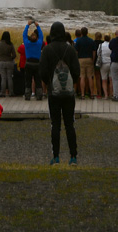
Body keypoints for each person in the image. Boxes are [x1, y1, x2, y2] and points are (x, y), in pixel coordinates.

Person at [39, 21, 80, 166]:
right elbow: (76, 71)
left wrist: (49, 83)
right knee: (70, 124)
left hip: (53, 93)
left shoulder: (47, 50)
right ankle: (73, 156)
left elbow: (43, 72)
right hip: (68, 93)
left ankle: (56, 157)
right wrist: (70, 83)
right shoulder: (70, 50)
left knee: (55, 125)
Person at [22, 20, 44, 101]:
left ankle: (27, 95)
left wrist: (27, 25)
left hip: (28, 63)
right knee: (38, 80)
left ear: (29, 38)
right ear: (37, 38)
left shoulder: (27, 43)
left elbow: (24, 35)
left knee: (28, 80)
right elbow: (41, 35)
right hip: (37, 64)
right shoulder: (39, 44)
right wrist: (37, 26)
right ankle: (39, 95)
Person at [75, 27, 98, 99]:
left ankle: (82, 94)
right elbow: (94, 51)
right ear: (87, 33)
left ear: (81, 33)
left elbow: (76, 51)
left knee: (82, 77)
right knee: (90, 77)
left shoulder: (78, 41)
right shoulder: (91, 41)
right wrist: (93, 60)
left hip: (81, 59)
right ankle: (91, 94)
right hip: (89, 59)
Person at [0, 31, 16, 97]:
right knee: (9, 77)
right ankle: (11, 92)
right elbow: (14, 55)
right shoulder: (10, 44)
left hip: (1, 62)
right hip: (9, 62)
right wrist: (10, 58)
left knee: (3, 78)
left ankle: (2, 92)